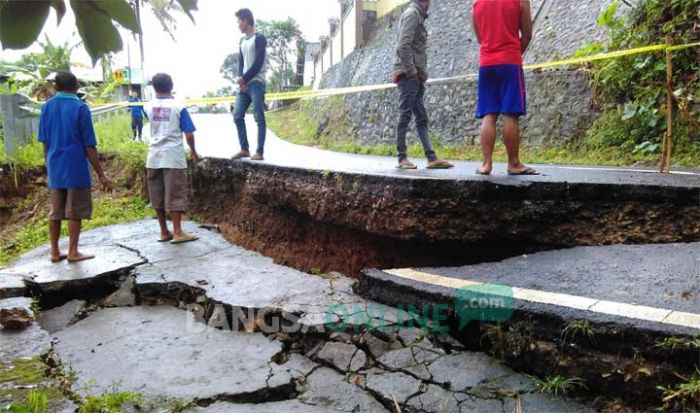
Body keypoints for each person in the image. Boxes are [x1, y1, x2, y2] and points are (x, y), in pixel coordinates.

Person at [38, 71, 113, 263]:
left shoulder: (47, 107)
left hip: (55, 165)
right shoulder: (80, 108)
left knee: (55, 211)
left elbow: (44, 142)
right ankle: (73, 251)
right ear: (77, 85)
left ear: (55, 86)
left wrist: (49, 165)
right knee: (75, 210)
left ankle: (54, 251)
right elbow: (89, 145)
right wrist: (101, 174)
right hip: (76, 166)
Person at [473, 0, 538, 175]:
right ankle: (513, 163)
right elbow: (527, 35)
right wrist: (516, 52)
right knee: (511, 113)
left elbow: (480, 37)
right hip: (509, 61)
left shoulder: (478, 2)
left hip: (486, 63)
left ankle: (486, 164)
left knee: (489, 114)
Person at [392, 0, 453, 170]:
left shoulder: (416, 14)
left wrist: (416, 74)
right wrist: (412, 73)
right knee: (405, 115)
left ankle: (431, 158)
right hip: (409, 76)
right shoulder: (412, 14)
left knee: (421, 117)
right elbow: (403, 46)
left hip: (414, 76)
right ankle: (402, 157)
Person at [143, 73, 200, 244]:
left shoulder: (147, 106)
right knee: (175, 194)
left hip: (153, 156)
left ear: (153, 87)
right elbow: (188, 134)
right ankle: (177, 231)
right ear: (171, 85)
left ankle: (163, 231)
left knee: (156, 194)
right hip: (173, 156)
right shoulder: (178, 107)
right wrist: (194, 152)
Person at [231, 8, 268, 161]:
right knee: (237, 115)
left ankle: (259, 152)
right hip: (244, 85)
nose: (238, 25)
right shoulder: (242, 41)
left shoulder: (259, 38)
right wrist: (241, 79)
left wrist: (245, 79)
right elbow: (241, 62)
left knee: (258, 116)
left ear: (246, 21)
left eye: (239, 21)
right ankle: (244, 149)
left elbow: (258, 63)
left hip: (256, 83)